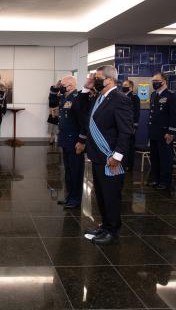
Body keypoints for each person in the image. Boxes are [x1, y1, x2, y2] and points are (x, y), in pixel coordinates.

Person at [85, 65, 133, 245]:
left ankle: (112, 231)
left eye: (98, 78)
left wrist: (117, 156)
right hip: (98, 157)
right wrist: (87, 85)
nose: (96, 81)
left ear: (109, 80)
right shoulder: (100, 98)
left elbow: (125, 131)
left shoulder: (119, 99)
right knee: (101, 194)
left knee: (111, 195)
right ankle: (105, 226)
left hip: (110, 158)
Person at [51, 75, 90, 209]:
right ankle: (69, 197)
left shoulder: (77, 99)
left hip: (75, 142)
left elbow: (84, 123)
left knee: (76, 171)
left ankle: (75, 199)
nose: (61, 87)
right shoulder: (65, 97)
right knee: (68, 171)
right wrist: (55, 88)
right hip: (65, 140)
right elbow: (52, 101)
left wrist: (81, 141)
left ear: (71, 86)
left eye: (63, 85)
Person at [148, 72, 176, 191]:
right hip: (154, 132)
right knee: (155, 158)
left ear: (164, 81)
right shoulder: (154, 95)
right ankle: (156, 179)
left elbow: (175, 116)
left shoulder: (171, 95)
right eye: (153, 81)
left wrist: (171, 132)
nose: (154, 83)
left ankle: (166, 182)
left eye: (157, 80)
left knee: (165, 159)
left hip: (165, 133)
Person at [122, 79, 140, 172]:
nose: (123, 87)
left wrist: (135, 126)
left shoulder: (134, 97)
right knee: (123, 146)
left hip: (130, 125)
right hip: (122, 125)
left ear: (131, 87)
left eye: (125, 85)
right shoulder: (121, 96)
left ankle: (129, 165)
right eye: (123, 85)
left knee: (130, 147)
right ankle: (123, 164)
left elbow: (136, 113)